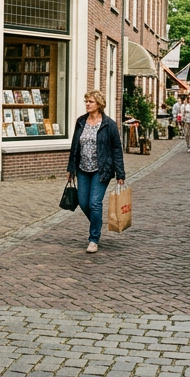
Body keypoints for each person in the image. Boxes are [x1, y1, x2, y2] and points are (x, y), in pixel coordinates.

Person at [67, 90, 126, 254]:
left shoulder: (109, 124)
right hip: (82, 169)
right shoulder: (81, 122)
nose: (87, 104)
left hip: (102, 170)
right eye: (86, 101)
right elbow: (74, 147)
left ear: (99, 104)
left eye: (90, 101)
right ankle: (97, 223)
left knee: (94, 203)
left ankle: (93, 239)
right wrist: (70, 168)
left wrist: (120, 174)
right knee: (84, 203)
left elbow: (116, 150)